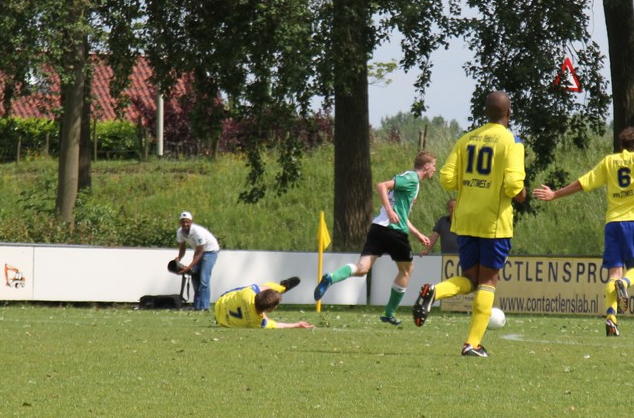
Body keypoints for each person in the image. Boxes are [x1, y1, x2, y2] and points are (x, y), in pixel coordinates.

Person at [412, 92, 527, 357]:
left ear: (485, 112)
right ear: (509, 112)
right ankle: (472, 344)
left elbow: (447, 179)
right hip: (493, 222)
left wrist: (471, 184)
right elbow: (512, 185)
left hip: (464, 220)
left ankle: (434, 291)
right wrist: (519, 192)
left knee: (470, 279)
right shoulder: (512, 141)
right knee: (488, 280)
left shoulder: (465, 139)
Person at [532, 125, 634, 337]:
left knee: (613, 273)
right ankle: (625, 283)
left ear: (620, 146)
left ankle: (611, 318)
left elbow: (582, 183)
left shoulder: (609, 162)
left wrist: (555, 194)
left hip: (613, 224)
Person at [313, 152, 437, 324]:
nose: (435, 170)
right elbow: (381, 186)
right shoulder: (412, 178)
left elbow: (400, 213)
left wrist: (417, 234)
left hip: (378, 228)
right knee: (407, 271)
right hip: (394, 231)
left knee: (362, 268)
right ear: (426, 166)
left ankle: (331, 278)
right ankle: (389, 312)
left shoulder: (409, 180)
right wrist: (390, 211)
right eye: (434, 166)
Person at [214, 277, 312, 329]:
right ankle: (282, 288)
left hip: (220, 303)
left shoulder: (248, 292)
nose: (276, 307)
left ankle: (281, 288)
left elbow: (264, 288)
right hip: (221, 321)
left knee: (262, 287)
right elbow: (277, 325)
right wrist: (296, 325)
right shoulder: (258, 322)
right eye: (275, 306)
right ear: (268, 309)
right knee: (265, 289)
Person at [173, 212, 221, 311]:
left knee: (204, 279)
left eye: (187, 222)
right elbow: (182, 248)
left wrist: (189, 267)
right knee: (195, 277)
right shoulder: (180, 232)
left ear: (191, 222)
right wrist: (178, 258)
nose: (185, 224)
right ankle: (197, 306)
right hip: (199, 251)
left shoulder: (197, 232)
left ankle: (205, 307)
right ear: (180, 223)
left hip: (210, 251)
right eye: (183, 222)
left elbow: (200, 253)